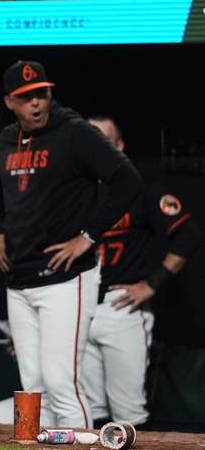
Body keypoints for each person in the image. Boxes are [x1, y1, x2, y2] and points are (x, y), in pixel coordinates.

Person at [0, 60, 142, 428]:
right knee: (32, 385)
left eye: (41, 93)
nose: (36, 103)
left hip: (65, 277)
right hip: (19, 279)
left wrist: (87, 237)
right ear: (10, 102)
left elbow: (127, 181)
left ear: (50, 93)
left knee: (62, 382)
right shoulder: (4, 140)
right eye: (26, 98)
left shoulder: (75, 132)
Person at [81, 115, 203, 428]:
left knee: (127, 415)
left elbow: (188, 234)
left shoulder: (142, 187)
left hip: (120, 307)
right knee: (89, 413)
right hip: (79, 306)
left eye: (105, 140)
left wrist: (151, 284)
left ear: (120, 146)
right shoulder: (74, 193)